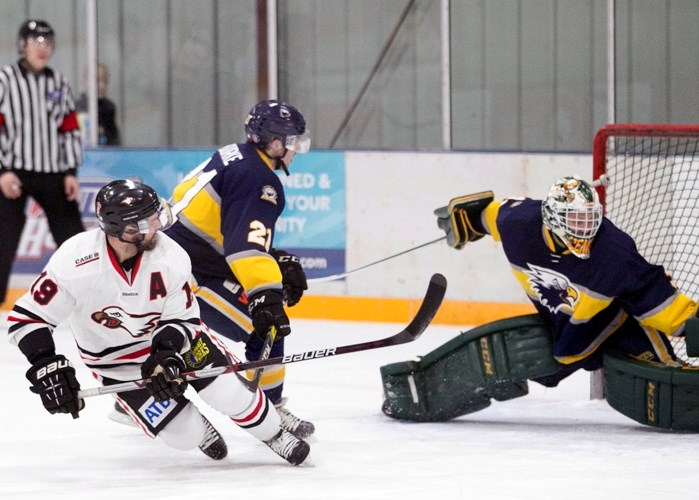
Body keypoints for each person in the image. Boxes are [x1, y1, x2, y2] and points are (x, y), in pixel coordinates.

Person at [6, 179, 311, 466]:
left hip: (176, 344)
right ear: (118, 228)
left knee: (230, 394)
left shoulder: (170, 256)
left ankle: (274, 433)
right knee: (184, 435)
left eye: (155, 218)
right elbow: (27, 317)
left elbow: (183, 319)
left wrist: (166, 353)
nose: (156, 227)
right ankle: (196, 428)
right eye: (145, 223)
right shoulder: (75, 260)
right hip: (115, 363)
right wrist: (46, 364)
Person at [442, 174, 698, 383]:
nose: (586, 227)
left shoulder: (614, 253)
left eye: (591, 217)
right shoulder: (517, 223)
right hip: (569, 331)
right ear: (552, 217)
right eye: (576, 219)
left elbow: (652, 294)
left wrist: (690, 325)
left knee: (665, 382)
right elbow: (492, 214)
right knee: (549, 372)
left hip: (616, 323)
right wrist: (471, 221)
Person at [163, 99, 314, 439]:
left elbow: (226, 232)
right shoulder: (259, 180)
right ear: (275, 142)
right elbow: (243, 249)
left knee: (265, 312)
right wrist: (266, 293)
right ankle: (270, 410)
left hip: (181, 260)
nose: (296, 150)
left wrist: (273, 259)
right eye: (292, 142)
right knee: (268, 325)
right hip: (184, 276)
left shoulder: (235, 155)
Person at [0, 20, 85, 310]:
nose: (43, 48)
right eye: (36, 41)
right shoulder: (5, 80)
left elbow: (69, 127)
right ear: (22, 45)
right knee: (4, 235)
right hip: (13, 172)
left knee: (73, 238)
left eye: (48, 42)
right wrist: (2, 170)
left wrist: (71, 171)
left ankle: (87, 295)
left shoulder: (58, 82)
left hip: (53, 172)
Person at [76, 63, 121, 146]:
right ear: (85, 82)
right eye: (97, 80)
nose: (102, 86)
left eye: (105, 81)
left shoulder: (109, 108)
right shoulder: (77, 108)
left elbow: (114, 140)